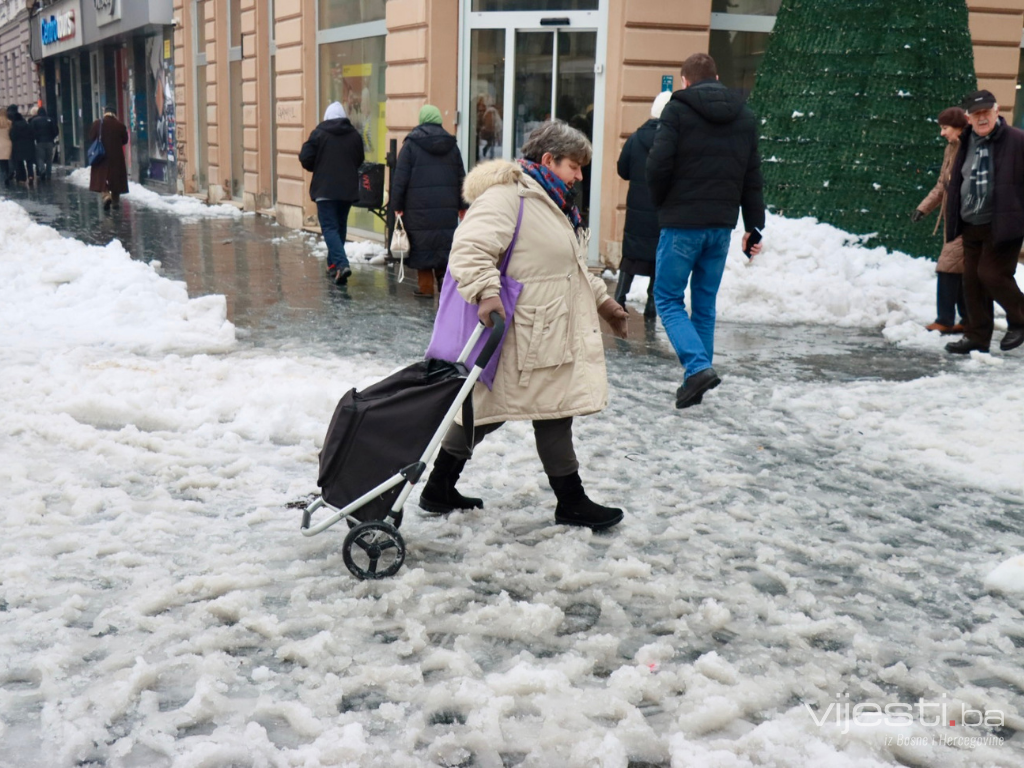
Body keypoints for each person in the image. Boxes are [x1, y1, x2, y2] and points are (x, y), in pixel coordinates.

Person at [418, 120, 630, 530]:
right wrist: (486, 293)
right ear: (549, 160)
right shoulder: (507, 197)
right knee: (497, 411)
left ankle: (442, 486)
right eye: (574, 165)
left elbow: (568, 266)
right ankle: (567, 501)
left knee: (539, 411)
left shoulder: (556, 203)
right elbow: (468, 249)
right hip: (519, 331)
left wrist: (604, 302)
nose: (580, 175)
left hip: (546, 330)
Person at [645, 53, 764, 409]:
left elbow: (657, 165)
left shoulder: (677, 110)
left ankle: (697, 368)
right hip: (721, 226)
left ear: (685, 81)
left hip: (682, 223)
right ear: (716, 76)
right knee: (704, 304)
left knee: (667, 298)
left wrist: (662, 203)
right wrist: (753, 227)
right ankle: (696, 381)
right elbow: (752, 176)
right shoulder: (744, 115)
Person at [943, 89, 1024, 354]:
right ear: (968, 118)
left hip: (1003, 223)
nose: (982, 119)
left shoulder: (1016, 140)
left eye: (986, 113)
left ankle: (1020, 320)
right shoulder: (966, 141)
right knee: (972, 282)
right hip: (971, 223)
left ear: (997, 111)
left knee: (991, 274)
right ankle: (977, 337)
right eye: (976, 114)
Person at [390, 105, 468, 298]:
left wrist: (397, 206)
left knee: (422, 245)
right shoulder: (452, 145)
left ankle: (425, 287)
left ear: (422, 120)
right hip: (446, 207)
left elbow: (400, 179)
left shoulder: (411, 144)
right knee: (443, 243)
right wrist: (462, 205)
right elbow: (461, 177)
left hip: (418, 208)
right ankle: (443, 281)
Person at [911, 107, 969, 335]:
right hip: (953, 219)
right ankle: (968, 319)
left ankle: (945, 319)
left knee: (947, 268)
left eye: (945, 128)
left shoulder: (970, 148)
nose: (942, 133)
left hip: (967, 219)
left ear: (958, 127)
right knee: (959, 271)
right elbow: (941, 185)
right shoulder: (951, 148)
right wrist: (923, 208)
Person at [616, 90, 672, 319]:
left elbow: (623, 169)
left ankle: (619, 296)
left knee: (631, 255)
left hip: (637, 208)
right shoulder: (673, 142)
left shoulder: (636, 138)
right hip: (662, 207)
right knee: (658, 255)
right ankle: (651, 304)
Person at [299, 101, 365, 285]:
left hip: (325, 189)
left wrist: (317, 165)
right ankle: (333, 265)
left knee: (329, 228)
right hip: (347, 189)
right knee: (340, 227)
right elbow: (359, 158)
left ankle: (342, 263)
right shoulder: (354, 135)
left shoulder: (319, 133)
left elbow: (305, 157)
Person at [87, 105, 129, 211]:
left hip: (101, 156)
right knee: (116, 180)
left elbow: (91, 137)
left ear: (105, 113)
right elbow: (125, 140)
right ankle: (115, 202)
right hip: (116, 157)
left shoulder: (98, 124)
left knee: (101, 178)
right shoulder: (120, 125)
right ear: (115, 114)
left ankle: (106, 196)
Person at [7, 105, 36, 186]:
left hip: (18, 147)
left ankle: (21, 178)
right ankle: (30, 176)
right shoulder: (27, 125)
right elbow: (33, 135)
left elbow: (12, 136)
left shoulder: (14, 127)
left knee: (19, 163)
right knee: (29, 162)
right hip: (29, 147)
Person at [29, 106, 58, 182]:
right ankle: (48, 174)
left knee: (40, 158)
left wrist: (36, 138)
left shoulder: (34, 121)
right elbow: (55, 130)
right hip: (50, 142)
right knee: (49, 159)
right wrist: (52, 137)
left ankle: (42, 170)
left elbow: (31, 132)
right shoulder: (50, 120)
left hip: (39, 142)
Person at [0, 110, 11, 188]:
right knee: (7, 161)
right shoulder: (9, 122)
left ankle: (3, 176)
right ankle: (7, 174)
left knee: (1, 163)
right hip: (8, 144)